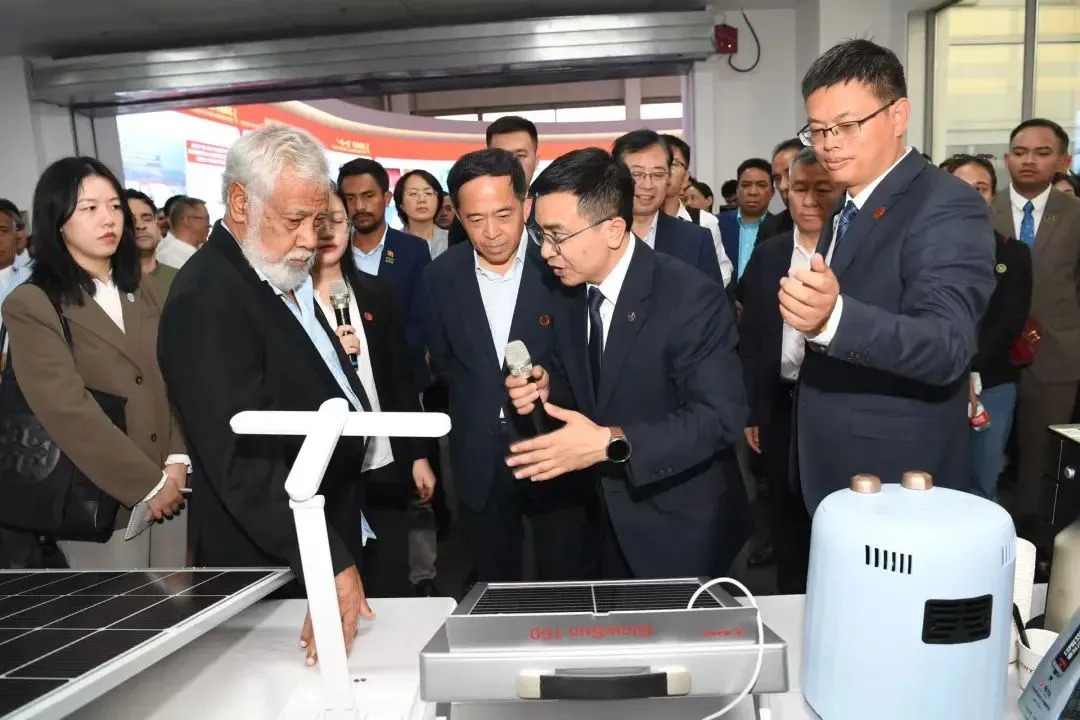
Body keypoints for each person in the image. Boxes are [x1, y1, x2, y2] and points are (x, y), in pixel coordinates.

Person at [159, 126, 375, 666]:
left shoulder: (276, 272)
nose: (310, 239)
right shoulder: (207, 297)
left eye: (317, 220)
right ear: (240, 203)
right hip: (272, 561)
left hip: (319, 529)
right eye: (294, 220)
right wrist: (324, 557)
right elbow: (240, 459)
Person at [505, 148, 750, 579]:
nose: (546, 253)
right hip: (596, 522)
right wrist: (547, 385)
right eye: (540, 235)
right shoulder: (566, 291)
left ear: (614, 229)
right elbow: (592, 386)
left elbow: (719, 417)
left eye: (558, 236)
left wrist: (609, 443)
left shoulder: (690, 298)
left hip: (677, 526)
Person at [786, 39, 995, 512]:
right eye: (817, 130)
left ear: (898, 116)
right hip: (836, 456)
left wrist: (833, 321)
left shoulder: (946, 203)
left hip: (897, 474)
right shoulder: (846, 203)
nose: (829, 144)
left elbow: (948, 345)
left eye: (846, 126)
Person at [2, 157, 188, 569]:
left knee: (178, 605)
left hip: (172, 490)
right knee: (120, 609)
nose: (109, 219)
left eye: (115, 206)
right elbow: (67, 410)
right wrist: (146, 483)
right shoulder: (33, 303)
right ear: (58, 220)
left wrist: (177, 458)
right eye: (89, 208)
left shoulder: (143, 289)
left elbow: (175, 376)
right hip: (97, 503)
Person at [424, 148, 592, 582]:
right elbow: (445, 363)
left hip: (554, 446)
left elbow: (587, 361)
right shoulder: (441, 276)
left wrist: (551, 383)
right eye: (475, 219)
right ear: (457, 216)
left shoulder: (561, 268)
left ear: (526, 205)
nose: (492, 232)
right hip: (478, 456)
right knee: (493, 582)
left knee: (564, 576)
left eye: (504, 214)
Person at [312, 184, 436, 597]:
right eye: (317, 222)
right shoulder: (287, 301)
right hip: (326, 466)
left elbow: (399, 378)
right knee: (338, 579)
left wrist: (417, 454)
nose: (328, 232)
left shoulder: (377, 293)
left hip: (383, 457)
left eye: (336, 220)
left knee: (390, 575)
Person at [739, 147, 843, 592]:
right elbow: (753, 337)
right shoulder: (770, 254)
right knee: (784, 512)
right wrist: (752, 409)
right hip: (780, 403)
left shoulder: (855, 252)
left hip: (838, 404)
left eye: (823, 189)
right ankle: (790, 600)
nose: (810, 199)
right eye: (800, 188)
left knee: (835, 513)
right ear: (785, 191)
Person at [991, 119, 1080, 539]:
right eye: (1020, 152)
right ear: (1007, 158)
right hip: (988, 353)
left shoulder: (1075, 214)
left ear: (1063, 161)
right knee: (985, 455)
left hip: (1056, 354)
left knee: (1042, 460)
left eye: (1042, 153)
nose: (1029, 160)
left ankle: (1036, 543)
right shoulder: (980, 210)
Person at [941, 154, 1031, 501]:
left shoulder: (1014, 254)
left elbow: (1009, 322)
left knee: (982, 478)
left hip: (991, 379)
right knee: (937, 479)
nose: (972, 195)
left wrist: (969, 365)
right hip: (935, 377)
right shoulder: (920, 247)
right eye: (961, 187)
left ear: (992, 195)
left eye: (980, 188)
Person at [611, 129, 725, 286]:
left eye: (658, 175)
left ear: (668, 179)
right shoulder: (593, 234)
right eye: (636, 174)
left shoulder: (696, 240)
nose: (648, 185)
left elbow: (711, 299)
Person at [448, 115, 542, 247]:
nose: (512, 164)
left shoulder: (552, 208)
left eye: (520, 155)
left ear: (536, 161)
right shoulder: (468, 213)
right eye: (501, 156)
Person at [125, 190, 177, 296]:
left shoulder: (180, 278)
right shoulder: (107, 284)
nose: (140, 225)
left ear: (158, 228)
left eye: (147, 219)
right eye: (130, 221)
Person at [394, 169, 449, 259]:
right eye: (413, 194)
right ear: (401, 204)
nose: (422, 200)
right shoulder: (391, 243)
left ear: (438, 201)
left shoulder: (452, 242)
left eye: (428, 193)